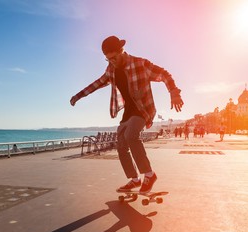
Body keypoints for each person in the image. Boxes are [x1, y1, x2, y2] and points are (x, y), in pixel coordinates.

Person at [70, 36, 183, 194]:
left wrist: (174, 92)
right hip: (129, 111)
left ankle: (149, 175)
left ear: (122, 51)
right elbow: (97, 83)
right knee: (121, 143)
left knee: (131, 136)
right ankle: (135, 179)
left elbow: (164, 74)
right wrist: (79, 96)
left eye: (114, 57)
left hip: (144, 109)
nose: (112, 62)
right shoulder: (111, 69)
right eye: (108, 59)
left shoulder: (140, 63)